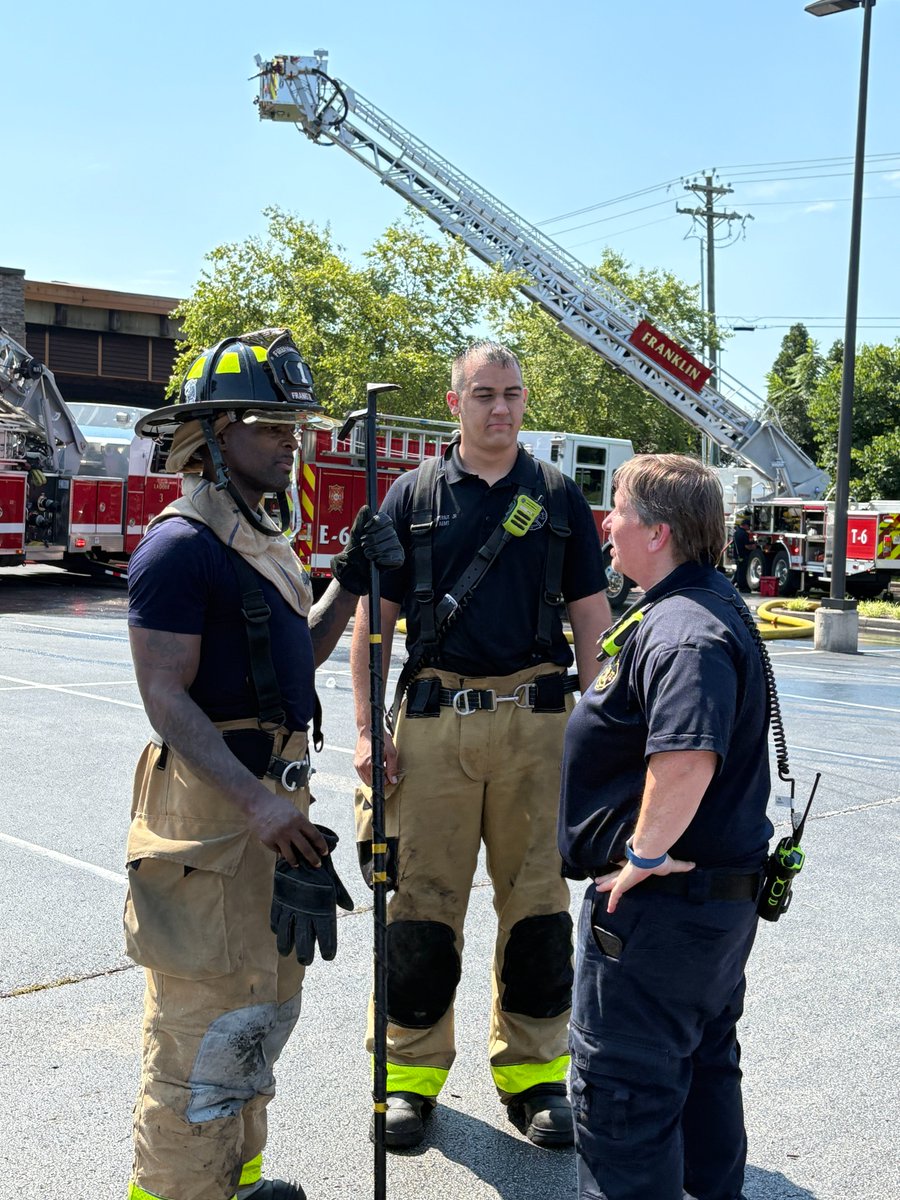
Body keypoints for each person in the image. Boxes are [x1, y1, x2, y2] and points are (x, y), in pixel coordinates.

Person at [124, 328, 402, 1200]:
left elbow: (297, 662)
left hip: (270, 812)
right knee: (199, 1037)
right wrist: (256, 804)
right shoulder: (177, 548)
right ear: (210, 434)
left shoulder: (259, 534)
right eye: (269, 425)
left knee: (257, 1012)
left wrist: (350, 582)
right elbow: (165, 698)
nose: (291, 441)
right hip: (215, 822)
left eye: (296, 427)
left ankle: (235, 1185)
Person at [350, 340, 611, 1150]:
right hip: (432, 730)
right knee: (420, 910)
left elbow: (593, 625)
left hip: (540, 730)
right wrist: (365, 733)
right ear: (455, 401)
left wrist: (604, 736)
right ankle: (409, 1077)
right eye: (484, 394)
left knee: (537, 910)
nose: (501, 409)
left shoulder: (560, 498)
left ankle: (535, 1076)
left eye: (513, 394)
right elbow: (372, 625)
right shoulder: (410, 496)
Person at [558, 454, 773, 1200]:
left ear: (657, 531)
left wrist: (643, 854)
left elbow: (684, 761)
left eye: (616, 509)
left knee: (624, 1098)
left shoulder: (683, 630)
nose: (606, 524)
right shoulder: (695, 606)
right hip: (705, 913)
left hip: (661, 919)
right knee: (705, 1074)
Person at [731, 516, 753, 593]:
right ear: (745, 525)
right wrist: (754, 546)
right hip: (743, 555)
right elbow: (747, 546)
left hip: (737, 555)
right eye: (749, 526)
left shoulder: (736, 532)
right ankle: (742, 588)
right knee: (742, 572)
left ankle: (732, 583)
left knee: (738, 571)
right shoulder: (744, 534)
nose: (749, 527)